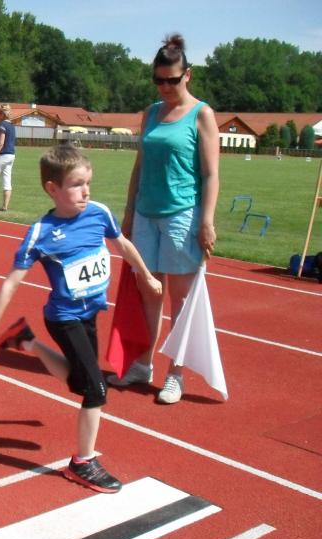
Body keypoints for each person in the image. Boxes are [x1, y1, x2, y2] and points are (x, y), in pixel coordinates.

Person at [0, 145, 162, 493]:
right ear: (53, 189)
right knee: (96, 389)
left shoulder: (99, 213)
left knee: (79, 382)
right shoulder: (41, 232)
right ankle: (82, 463)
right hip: (63, 318)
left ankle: (26, 340)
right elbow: (11, 283)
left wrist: (147, 275)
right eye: (77, 185)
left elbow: (123, 244)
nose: (86, 191)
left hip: (91, 312)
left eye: (88, 183)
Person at [107, 34, 219, 405]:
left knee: (180, 300)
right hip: (145, 214)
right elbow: (139, 166)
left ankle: (176, 373)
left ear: (188, 75)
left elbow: (211, 175)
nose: (165, 87)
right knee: (147, 293)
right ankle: (142, 363)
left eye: (172, 80)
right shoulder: (151, 113)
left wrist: (207, 221)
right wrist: (128, 211)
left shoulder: (201, 114)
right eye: (159, 80)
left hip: (182, 216)